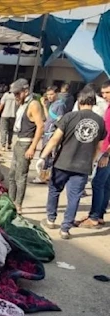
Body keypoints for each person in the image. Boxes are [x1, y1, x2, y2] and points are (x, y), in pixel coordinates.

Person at [39, 87, 107, 239]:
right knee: (74, 197)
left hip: (63, 163)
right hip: (83, 166)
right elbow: (99, 147)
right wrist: (92, 160)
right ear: (93, 102)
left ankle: (51, 219)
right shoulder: (100, 122)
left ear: (79, 100)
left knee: (54, 190)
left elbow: (55, 139)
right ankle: (65, 229)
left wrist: (43, 156)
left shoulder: (69, 117)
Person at [7, 78, 45, 214]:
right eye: (14, 94)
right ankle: (11, 200)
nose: (16, 96)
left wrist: (32, 147)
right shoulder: (23, 104)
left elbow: (40, 126)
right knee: (11, 175)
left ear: (26, 91)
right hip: (19, 142)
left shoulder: (33, 104)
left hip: (26, 143)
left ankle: (18, 204)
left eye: (18, 93)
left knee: (20, 176)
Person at [78, 81, 110, 229]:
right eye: (103, 93)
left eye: (108, 92)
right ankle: (99, 214)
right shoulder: (108, 106)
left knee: (97, 183)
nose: (105, 96)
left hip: (107, 152)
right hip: (105, 150)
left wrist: (106, 154)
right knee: (105, 184)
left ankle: (94, 217)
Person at [33, 86, 66, 184]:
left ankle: (45, 176)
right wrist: (43, 105)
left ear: (56, 94)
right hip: (47, 133)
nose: (49, 96)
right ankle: (44, 176)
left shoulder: (60, 105)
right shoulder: (52, 105)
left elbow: (60, 120)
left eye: (52, 94)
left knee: (49, 156)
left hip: (51, 134)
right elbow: (49, 118)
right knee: (46, 155)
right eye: (48, 94)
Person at [0, 87, 18, 151]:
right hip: (13, 115)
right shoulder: (17, 95)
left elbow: (1, 105)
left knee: (3, 130)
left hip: (5, 115)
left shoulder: (6, 95)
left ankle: (3, 146)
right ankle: (9, 145)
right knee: (11, 131)